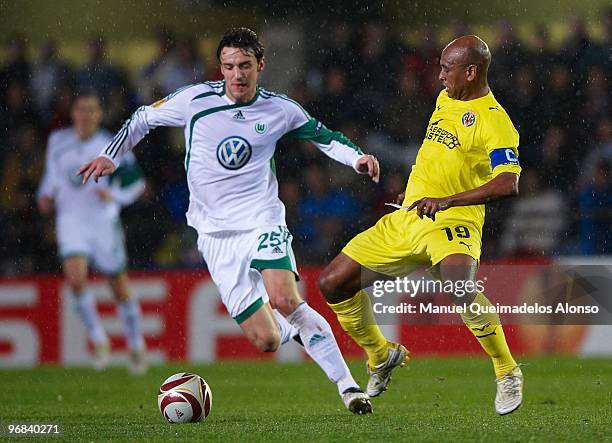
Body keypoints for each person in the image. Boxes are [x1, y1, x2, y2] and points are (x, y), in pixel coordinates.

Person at [77, 28, 381, 414]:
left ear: (261, 66)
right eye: (229, 66)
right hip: (214, 235)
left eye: (245, 66)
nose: (237, 75)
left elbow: (324, 137)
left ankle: (348, 387)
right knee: (268, 340)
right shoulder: (194, 100)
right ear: (219, 68)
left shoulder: (280, 108)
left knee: (285, 298)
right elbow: (142, 118)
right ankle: (301, 331)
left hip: (262, 219)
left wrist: (357, 158)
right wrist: (111, 156)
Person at [318, 35, 524, 415]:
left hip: (453, 220)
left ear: (472, 71)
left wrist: (446, 200)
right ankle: (381, 355)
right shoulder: (446, 100)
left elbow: (507, 183)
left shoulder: (495, 122)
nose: (440, 74)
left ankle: (506, 370)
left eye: (448, 68)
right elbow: (440, 158)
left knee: (458, 287)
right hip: (409, 215)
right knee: (332, 283)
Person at [37, 91, 147, 374]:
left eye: (92, 110)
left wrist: (116, 198)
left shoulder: (110, 145)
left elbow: (137, 184)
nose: (86, 115)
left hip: (102, 222)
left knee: (119, 287)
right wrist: (45, 195)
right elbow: (52, 177)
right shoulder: (58, 142)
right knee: (75, 279)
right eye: (81, 109)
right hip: (70, 221)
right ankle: (99, 340)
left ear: (99, 115)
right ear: (72, 113)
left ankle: (135, 344)